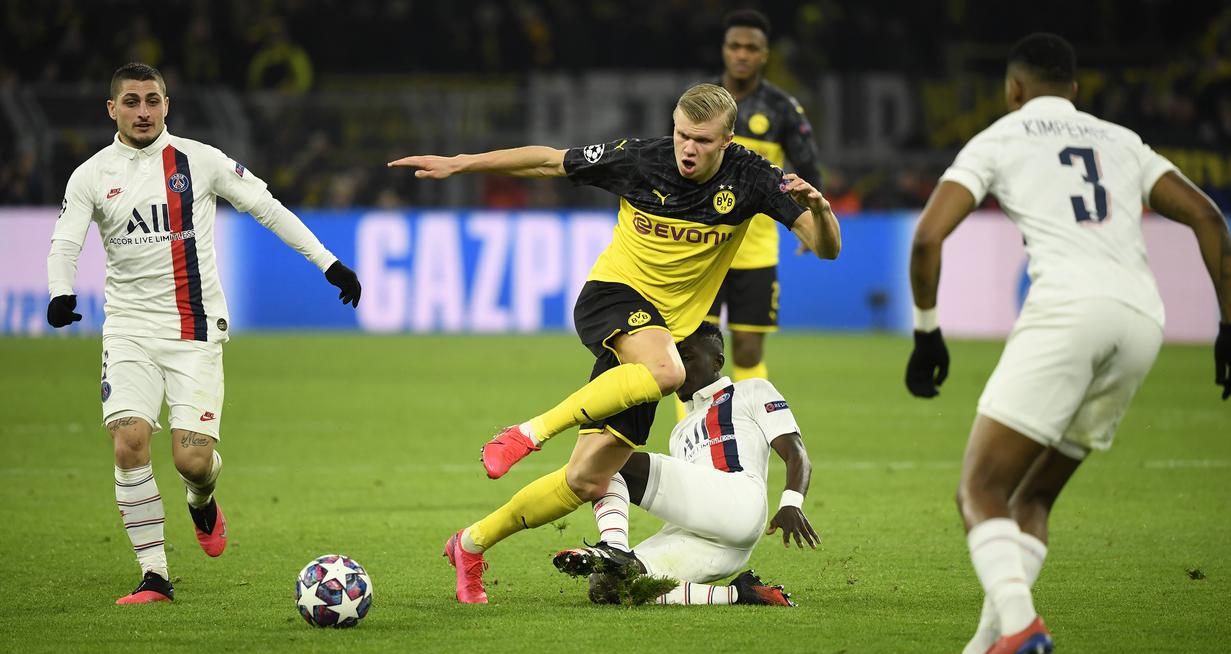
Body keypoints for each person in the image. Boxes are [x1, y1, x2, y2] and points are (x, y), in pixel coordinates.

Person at [389, 83, 841, 604]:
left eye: (701, 140)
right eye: (682, 134)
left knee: (587, 479)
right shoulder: (642, 159)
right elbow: (549, 161)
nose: (687, 148)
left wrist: (821, 210)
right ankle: (527, 433)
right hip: (612, 299)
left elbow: (825, 248)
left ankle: (470, 544)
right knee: (670, 372)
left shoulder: (753, 177)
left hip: (651, 345)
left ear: (727, 140)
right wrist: (462, 163)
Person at [904, 34, 1231, 654]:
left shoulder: (999, 137)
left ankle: (1020, 627)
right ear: (1075, 90)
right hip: (1141, 322)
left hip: (1068, 313)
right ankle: (983, 651)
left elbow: (929, 236)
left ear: (1012, 89)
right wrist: (1228, 325)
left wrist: (927, 332)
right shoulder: (1121, 140)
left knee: (980, 490)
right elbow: (1207, 217)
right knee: (1032, 497)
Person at [46, 63, 362, 605]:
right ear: (112, 109)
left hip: (194, 330)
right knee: (129, 443)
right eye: (131, 102)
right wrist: (60, 291)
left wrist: (327, 262)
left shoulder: (201, 160)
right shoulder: (91, 175)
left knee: (191, 460)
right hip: (128, 330)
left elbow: (267, 208)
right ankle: (155, 576)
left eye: (152, 100)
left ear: (166, 105)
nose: (143, 111)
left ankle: (202, 499)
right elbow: (66, 241)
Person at [550, 322, 818, 607]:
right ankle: (741, 594)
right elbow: (689, 498)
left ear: (717, 362)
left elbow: (796, 452)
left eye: (686, 357)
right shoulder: (679, 431)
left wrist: (792, 503)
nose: (678, 367)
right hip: (716, 541)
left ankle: (613, 546)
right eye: (673, 358)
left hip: (739, 500)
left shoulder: (752, 391)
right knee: (608, 586)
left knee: (608, 462)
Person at [703, 9, 823, 389]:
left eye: (751, 48)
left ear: (764, 54)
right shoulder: (702, 102)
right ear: (724, 49)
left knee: (748, 350)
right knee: (695, 349)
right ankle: (694, 430)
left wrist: (812, 222)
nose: (742, 54)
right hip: (703, 243)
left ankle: (748, 423)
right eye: (735, 46)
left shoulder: (782, 108)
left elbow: (809, 169)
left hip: (756, 248)